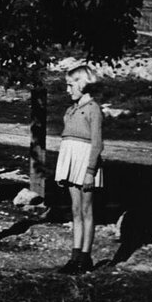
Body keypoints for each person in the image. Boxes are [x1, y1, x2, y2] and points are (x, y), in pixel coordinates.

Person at [54, 64, 105, 274]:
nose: (68, 90)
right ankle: (74, 256)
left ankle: (85, 257)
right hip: (71, 163)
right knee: (75, 209)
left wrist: (90, 171)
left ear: (82, 84)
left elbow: (97, 143)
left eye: (70, 85)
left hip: (85, 164)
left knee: (86, 210)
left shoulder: (93, 109)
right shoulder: (71, 110)